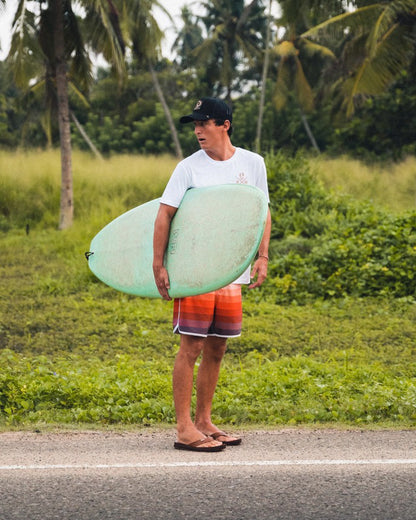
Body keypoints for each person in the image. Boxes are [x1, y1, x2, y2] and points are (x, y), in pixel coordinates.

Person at [153, 97, 271, 452]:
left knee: (218, 347)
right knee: (192, 345)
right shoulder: (188, 168)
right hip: (197, 268)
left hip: (231, 268)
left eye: (204, 123)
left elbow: (262, 210)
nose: (198, 130)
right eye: (195, 124)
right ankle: (184, 427)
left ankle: (204, 420)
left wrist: (261, 255)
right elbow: (164, 215)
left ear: (225, 125)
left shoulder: (253, 163)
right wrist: (158, 265)